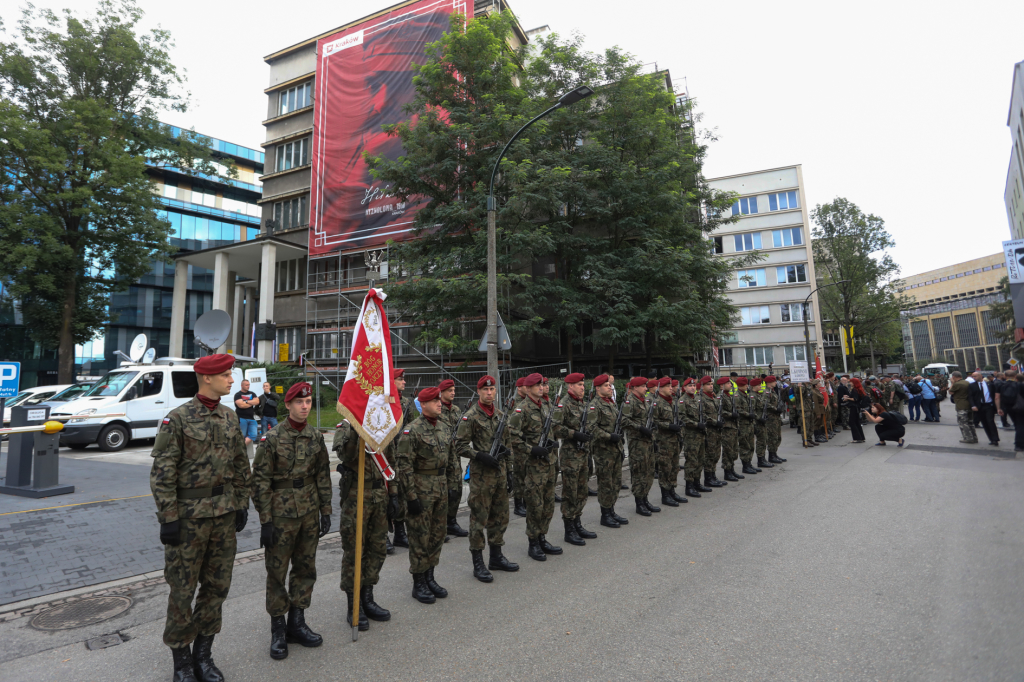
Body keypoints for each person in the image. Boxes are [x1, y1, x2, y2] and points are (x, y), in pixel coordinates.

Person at [150, 353, 251, 682]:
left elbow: (240, 465)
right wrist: (168, 518)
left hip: (223, 517)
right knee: (182, 590)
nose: (232, 380)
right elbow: (162, 473)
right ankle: (182, 663)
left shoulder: (229, 417)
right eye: (226, 375)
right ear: (207, 378)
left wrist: (241, 503)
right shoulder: (176, 419)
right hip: (188, 521)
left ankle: (203, 656)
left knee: (216, 588)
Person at [252, 382, 332, 656]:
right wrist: (265, 521)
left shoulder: (316, 437)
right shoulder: (272, 438)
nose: (305, 406)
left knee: (305, 568)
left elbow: (322, 474)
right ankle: (278, 629)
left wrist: (326, 511)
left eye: (308, 401)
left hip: (309, 513)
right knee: (277, 572)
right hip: (281, 516)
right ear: (287, 405)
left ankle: (297, 624)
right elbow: (260, 481)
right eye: (299, 401)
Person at [454, 375, 519, 580]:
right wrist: (479, 455)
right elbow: (459, 446)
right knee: (479, 519)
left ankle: (496, 556)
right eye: (485, 390)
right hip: (481, 476)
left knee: (500, 517)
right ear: (479, 391)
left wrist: (509, 472)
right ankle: (478, 562)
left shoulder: (501, 415)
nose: (489, 393)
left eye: (492, 390)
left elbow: (508, 447)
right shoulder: (470, 416)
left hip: (499, 474)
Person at [396, 386, 451, 603]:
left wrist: (453, 485)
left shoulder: (444, 428)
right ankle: (418, 582)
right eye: (435, 401)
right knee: (420, 536)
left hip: (441, 486)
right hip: (421, 489)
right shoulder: (412, 431)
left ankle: (430, 577)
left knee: (437, 534)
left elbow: (451, 458)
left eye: (440, 400)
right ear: (424, 405)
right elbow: (404, 466)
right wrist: (411, 497)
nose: (439, 404)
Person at [510, 373, 561, 560]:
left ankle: (542, 537)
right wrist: (531, 450)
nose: (541, 387)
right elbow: (512, 436)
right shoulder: (521, 409)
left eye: (542, 384)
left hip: (549, 463)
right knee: (535, 506)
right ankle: (533, 543)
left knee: (548, 504)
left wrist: (551, 444)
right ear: (528, 388)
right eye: (537, 385)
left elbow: (552, 429)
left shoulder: (546, 405)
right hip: (533, 465)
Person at [588, 374, 629, 527]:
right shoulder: (594, 405)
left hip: (615, 448)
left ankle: (611, 510)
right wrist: (608, 436)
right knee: (606, 483)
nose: (610, 387)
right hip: (603, 450)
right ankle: (605, 515)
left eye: (609, 385)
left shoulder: (611, 403)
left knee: (616, 482)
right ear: (598, 388)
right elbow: (591, 428)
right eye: (606, 385)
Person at [437, 379, 468, 539]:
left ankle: (452, 522)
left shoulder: (456, 409)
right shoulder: (436, 409)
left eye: (454, 390)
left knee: (456, 489)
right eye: (450, 390)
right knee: (443, 492)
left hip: (455, 456)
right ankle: (440, 525)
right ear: (441, 393)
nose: (453, 393)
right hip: (442, 456)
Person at [623, 377, 659, 516]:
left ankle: (645, 499)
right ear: (635, 387)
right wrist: (640, 428)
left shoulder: (646, 401)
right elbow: (624, 420)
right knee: (639, 473)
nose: (646, 388)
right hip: (637, 442)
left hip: (648, 441)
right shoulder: (629, 402)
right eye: (643, 386)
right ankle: (639, 503)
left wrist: (652, 427)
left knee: (648, 472)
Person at [652, 376, 686, 505]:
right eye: (668, 386)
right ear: (661, 388)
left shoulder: (673, 401)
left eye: (671, 386)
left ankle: (672, 491)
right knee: (665, 468)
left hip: (675, 439)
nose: (671, 388)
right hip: (664, 440)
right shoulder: (657, 402)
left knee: (674, 466)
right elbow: (654, 421)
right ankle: (665, 495)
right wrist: (669, 426)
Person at [680, 378, 706, 497]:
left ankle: (697, 482)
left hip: (700, 434)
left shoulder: (697, 399)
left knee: (700, 459)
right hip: (690, 435)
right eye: (690, 386)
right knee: (691, 461)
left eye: (694, 385)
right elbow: (682, 418)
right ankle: (689, 486)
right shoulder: (682, 401)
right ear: (684, 388)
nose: (693, 387)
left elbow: (702, 414)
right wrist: (696, 424)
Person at [994, 370, 1024, 453]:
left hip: (1007, 407)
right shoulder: (1020, 385)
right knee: (1020, 425)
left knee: (1017, 423)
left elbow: (997, 397)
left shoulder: (1000, 385)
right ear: (1015, 376)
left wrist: (999, 408)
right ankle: (1019, 445)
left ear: (1005, 376)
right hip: (1020, 407)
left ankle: (1019, 441)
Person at [511, 377, 528, 517]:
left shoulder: (527, 401)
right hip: (517, 446)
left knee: (526, 474)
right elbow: (510, 424)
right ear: (519, 388)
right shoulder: (515, 403)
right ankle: (518, 504)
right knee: (519, 476)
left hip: (527, 446)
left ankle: (525, 501)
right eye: (524, 386)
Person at [969, 371, 1000, 447]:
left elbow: (994, 395)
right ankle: (991, 439)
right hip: (979, 406)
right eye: (973, 376)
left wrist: (997, 407)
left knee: (990, 421)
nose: (974, 378)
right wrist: (973, 405)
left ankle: (995, 439)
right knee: (985, 423)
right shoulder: (972, 385)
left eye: (975, 376)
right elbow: (970, 397)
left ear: (980, 376)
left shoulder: (990, 384)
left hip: (989, 405)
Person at [843, 378, 870, 443]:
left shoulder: (855, 390)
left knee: (852, 422)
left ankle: (857, 438)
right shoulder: (858, 389)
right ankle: (861, 437)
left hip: (854, 407)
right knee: (857, 422)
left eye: (851, 382)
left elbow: (855, 399)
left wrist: (847, 398)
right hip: (857, 407)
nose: (850, 383)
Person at [234, 379, 260, 446]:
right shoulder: (238, 395)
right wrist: (252, 402)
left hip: (251, 418)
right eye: (246, 385)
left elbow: (257, 402)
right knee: (242, 435)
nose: (248, 386)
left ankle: (240, 449)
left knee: (254, 435)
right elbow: (241, 405)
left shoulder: (252, 393)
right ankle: (240, 451)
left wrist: (246, 401)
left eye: (249, 385)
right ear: (242, 385)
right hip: (241, 418)